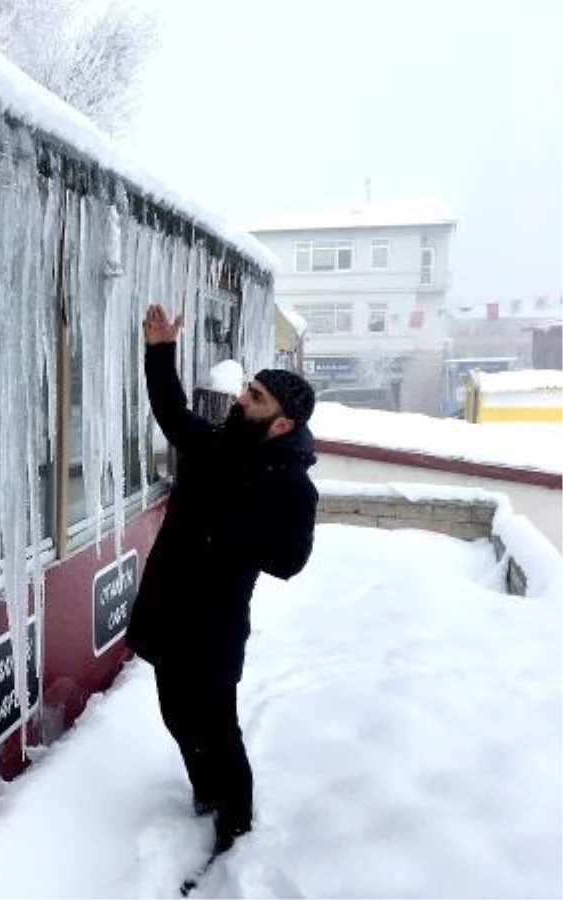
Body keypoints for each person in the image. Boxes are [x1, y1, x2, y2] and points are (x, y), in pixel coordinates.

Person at [128, 305, 318, 855]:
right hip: (169, 610)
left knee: (218, 730)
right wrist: (160, 351)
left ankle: (235, 828)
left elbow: (290, 559)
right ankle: (204, 795)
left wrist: (226, 526)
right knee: (176, 716)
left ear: (282, 424)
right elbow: (172, 413)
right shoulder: (218, 445)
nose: (241, 397)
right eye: (247, 388)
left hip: (213, 627)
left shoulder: (288, 484)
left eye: (255, 397)